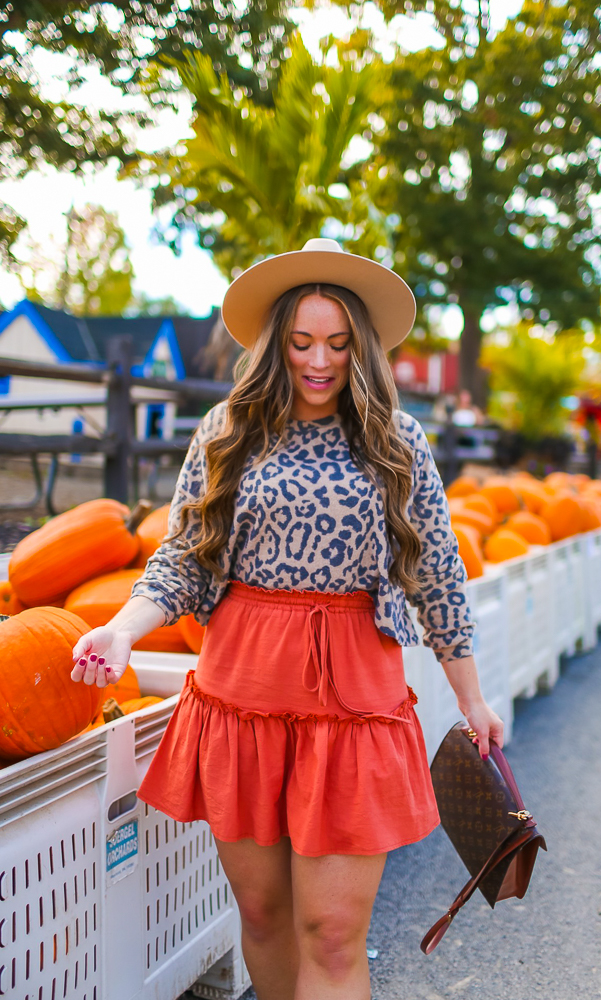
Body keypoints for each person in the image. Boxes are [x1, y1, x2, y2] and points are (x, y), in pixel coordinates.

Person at [70, 238, 504, 1000]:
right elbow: (184, 561)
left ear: (361, 348)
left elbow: (437, 575)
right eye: (301, 342)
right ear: (275, 344)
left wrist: (472, 699)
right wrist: (121, 630)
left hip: (352, 708)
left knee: (332, 937)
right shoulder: (227, 431)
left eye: (337, 343)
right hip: (242, 697)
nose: (319, 360)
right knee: (265, 917)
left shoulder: (397, 443)